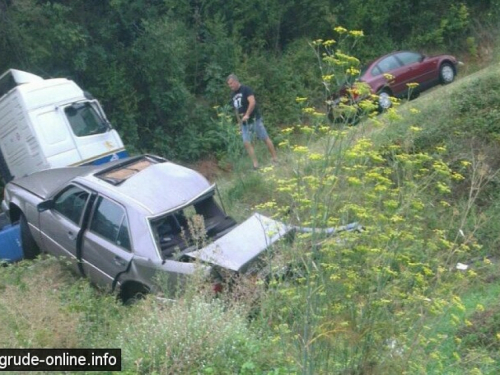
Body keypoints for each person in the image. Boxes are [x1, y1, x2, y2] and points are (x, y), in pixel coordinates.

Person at [227, 74, 277, 169]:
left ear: (236, 81)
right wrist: (239, 124)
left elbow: (252, 102)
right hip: (244, 124)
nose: (230, 86)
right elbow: (236, 110)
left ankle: (275, 158)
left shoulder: (246, 89)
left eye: (231, 83)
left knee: (265, 138)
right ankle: (255, 165)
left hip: (255, 120)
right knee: (246, 143)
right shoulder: (232, 95)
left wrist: (247, 114)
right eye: (229, 84)